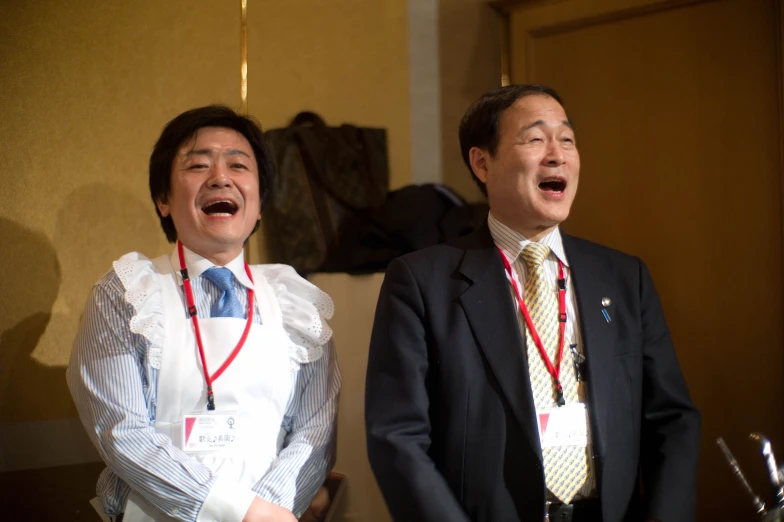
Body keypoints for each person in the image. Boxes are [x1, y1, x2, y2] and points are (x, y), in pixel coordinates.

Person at [364, 85, 700, 522]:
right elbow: (398, 436)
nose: (557, 155)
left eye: (567, 139)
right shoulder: (422, 281)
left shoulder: (622, 277)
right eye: (536, 139)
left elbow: (671, 418)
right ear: (482, 162)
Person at [67, 105, 341, 522]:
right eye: (198, 164)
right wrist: (236, 512)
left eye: (238, 164)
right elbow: (121, 431)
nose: (220, 177)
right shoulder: (125, 294)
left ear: (260, 203)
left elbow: (315, 431)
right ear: (163, 199)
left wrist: (268, 511)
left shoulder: (295, 303)